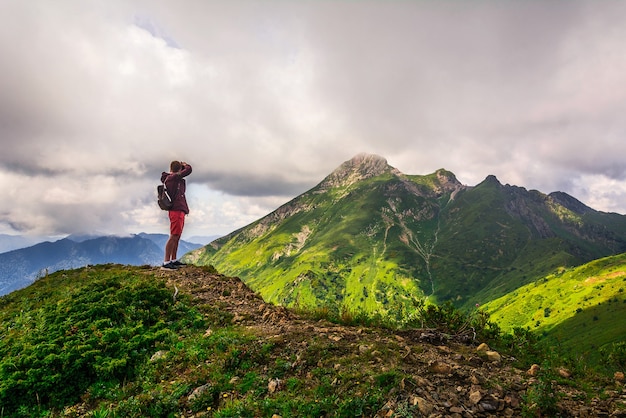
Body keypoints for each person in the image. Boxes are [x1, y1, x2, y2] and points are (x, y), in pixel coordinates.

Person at [161, 160, 192, 270]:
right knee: (174, 235)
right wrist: (185, 164)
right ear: (179, 170)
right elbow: (189, 170)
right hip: (176, 210)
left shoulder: (172, 178)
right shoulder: (173, 178)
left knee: (177, 235)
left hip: (179, 210)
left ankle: (173, 260)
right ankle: (166, 262)